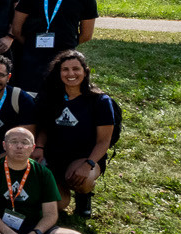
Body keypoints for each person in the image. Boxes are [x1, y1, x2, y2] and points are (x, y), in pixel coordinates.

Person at [32, 50, 121, 217]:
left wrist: (88, 164)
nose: (71, 74)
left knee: (84, 179)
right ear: (58, 73)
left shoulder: (100, 101)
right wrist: (40, 147)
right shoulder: (51, 97)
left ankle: (84, 196)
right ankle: (60, 189)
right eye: (65, 69)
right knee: (59, 204)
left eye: (76, 69)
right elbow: (45, 127)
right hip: (54, 157)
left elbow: (104, 141)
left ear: (85, 71)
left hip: (84, 157)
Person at [10, 0, 98, 88]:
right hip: (32, 59)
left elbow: (86, 35)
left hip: (65, 59)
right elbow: (17, 30)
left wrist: (64, 45)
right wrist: (31, 45)